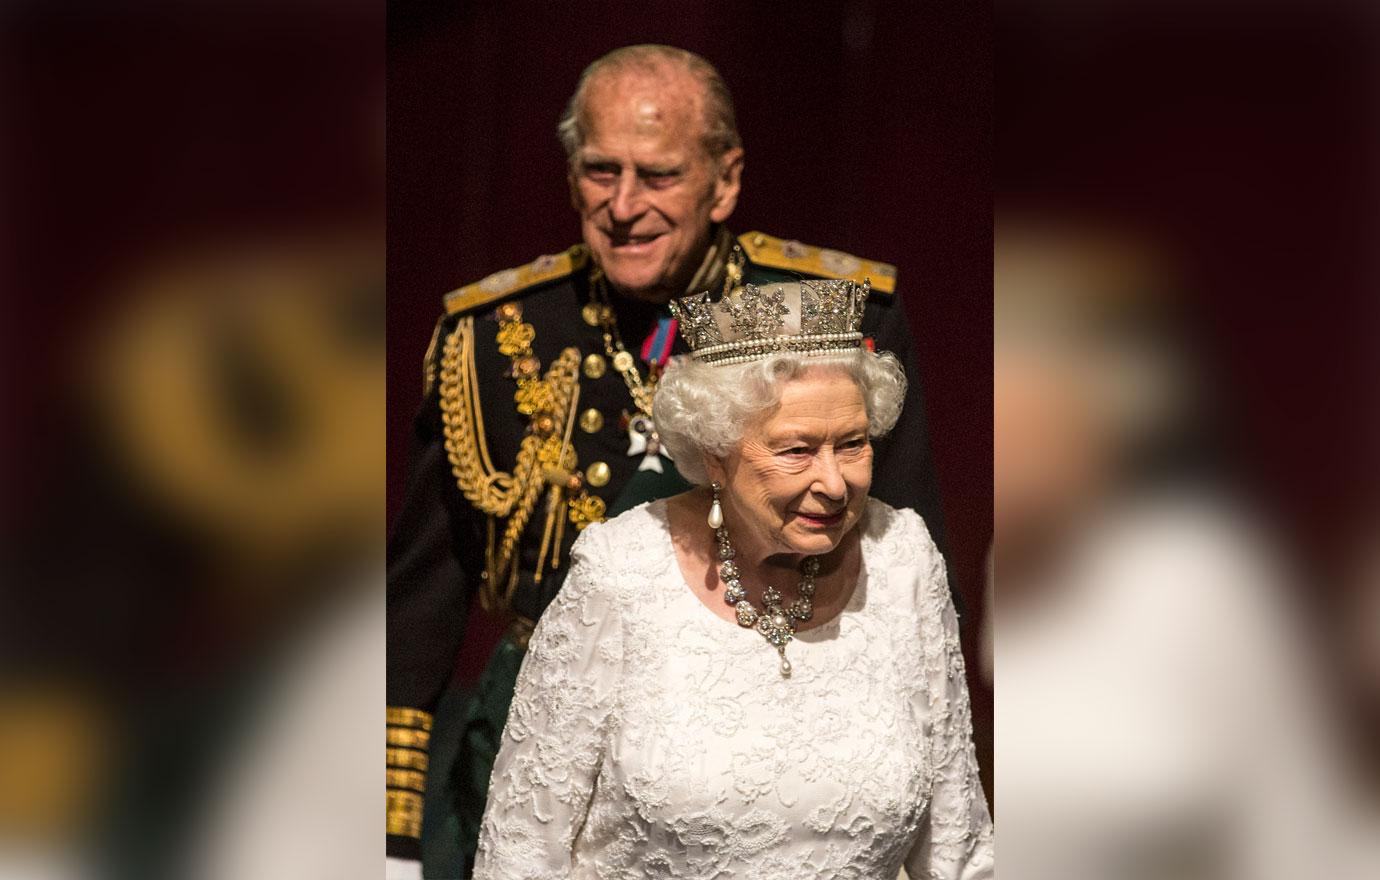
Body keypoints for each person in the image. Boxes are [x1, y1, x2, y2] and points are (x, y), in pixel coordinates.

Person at [387, 45, 947, 876]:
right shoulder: (488, 337)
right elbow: (417, 607)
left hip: (768, 733)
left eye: (657, 176)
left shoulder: (831, 321)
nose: (622, 205)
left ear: (724, 182)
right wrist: (390, 833)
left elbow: (908, 570)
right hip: (526, 743)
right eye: (599, 170)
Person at [471, 279, 992, 878]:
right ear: (715, 452)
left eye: (852, 445)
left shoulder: (901, 557)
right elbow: (521, 854)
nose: (833, 482)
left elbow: (957, 845)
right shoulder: (621, 570)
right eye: (796, 450)